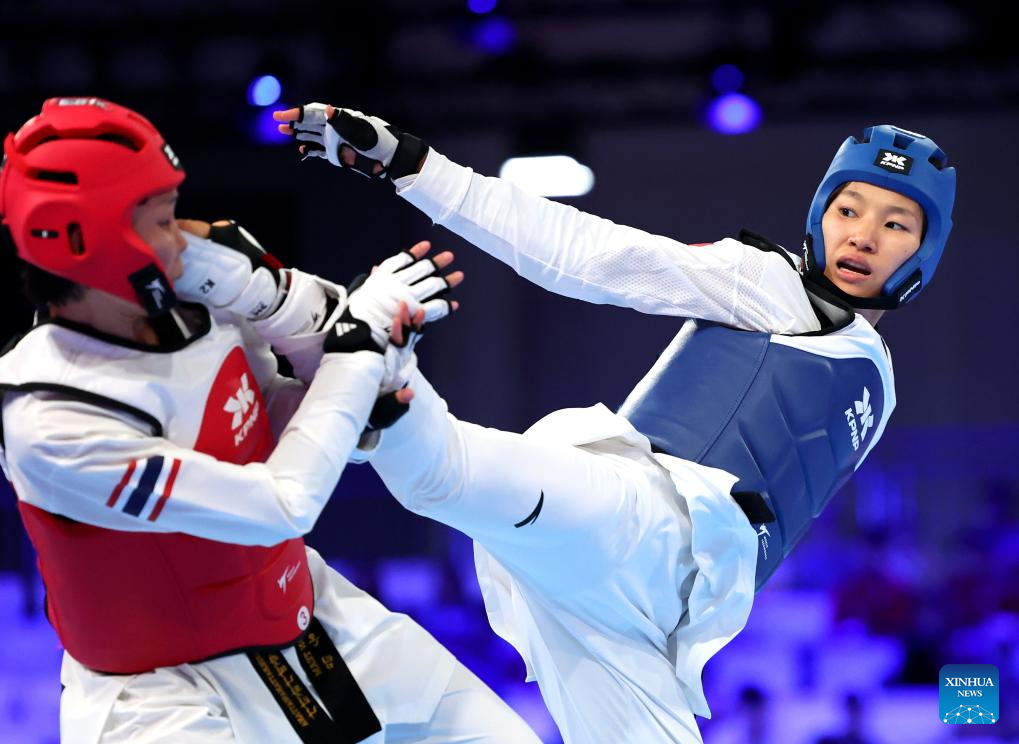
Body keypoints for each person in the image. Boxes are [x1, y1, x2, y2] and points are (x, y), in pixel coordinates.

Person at [275, 104, 955, 743]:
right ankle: (363, 365)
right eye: (847, 209)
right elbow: (586, 253)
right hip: (639, 519)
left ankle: (367, 394)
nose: (862, 235)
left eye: (895, 223)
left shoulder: (880, 382)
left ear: (925, 252)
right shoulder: (768, 281)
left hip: (649, 622)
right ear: (819, 215)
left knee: (446, 486)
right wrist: (414, 166)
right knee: (444, 476)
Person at [0, 98, 539, 743]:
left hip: (306, 625)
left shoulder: (195, 299)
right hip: (164, 702)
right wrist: (356, 354)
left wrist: (312, 334)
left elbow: (282, 417)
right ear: (87, 243)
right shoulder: (52, 420)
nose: (186, 236)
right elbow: (280, 503)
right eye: (163, 221)